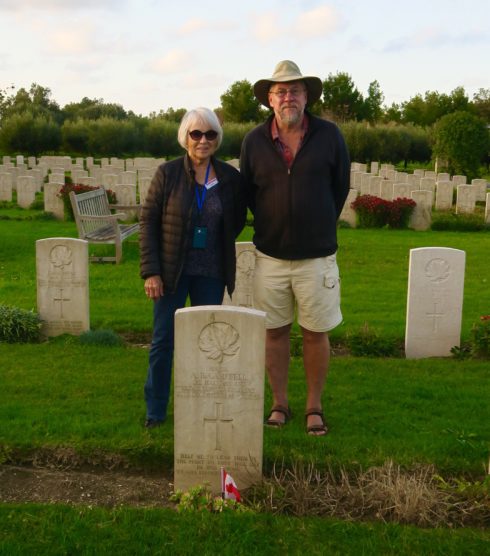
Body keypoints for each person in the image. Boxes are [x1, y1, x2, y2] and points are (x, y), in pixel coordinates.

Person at [240, 60, 350, 436]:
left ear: (307, 96)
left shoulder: (329, 135)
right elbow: (251, 194)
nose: (288, 97)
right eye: (281, 91)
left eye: (295, 90)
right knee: (274, 332)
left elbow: (339, 189)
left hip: (316, 256)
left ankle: (314, 406)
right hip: (270, 256)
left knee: (315, 332)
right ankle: (279, 402)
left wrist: (314, 223)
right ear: (270, 99)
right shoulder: (253, 141)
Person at [140, 107, 247, 428]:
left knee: (207, 342)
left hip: (211, 273)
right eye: (196, 134)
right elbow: (148, 223)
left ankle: (202, 407)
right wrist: (151, 271)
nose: (203, 140)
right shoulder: (168, 174)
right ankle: (156, 411)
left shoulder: (229, 178)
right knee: (163, 341)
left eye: (210, 134)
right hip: (171, 272)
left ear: (218, 138)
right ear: (185, 137)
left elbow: (237, 220)